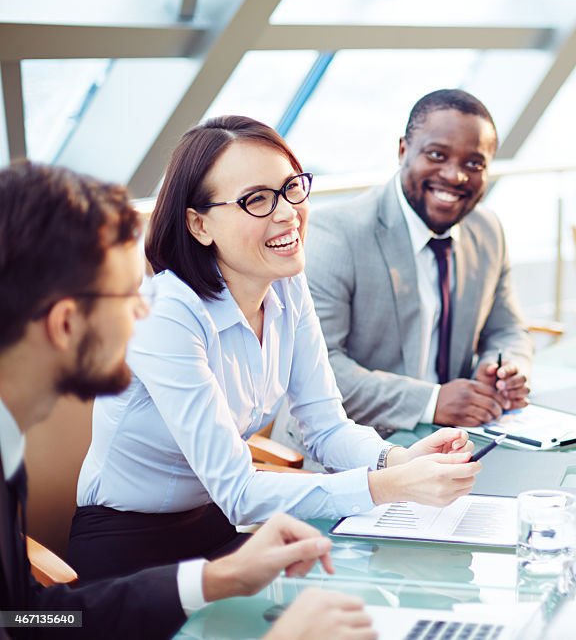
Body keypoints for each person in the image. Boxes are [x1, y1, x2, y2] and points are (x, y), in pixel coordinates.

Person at [69, 116, 480, 583]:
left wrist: (398, 460)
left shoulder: (285, 286)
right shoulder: (166, 315)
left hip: (215, 527)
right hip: (128, 549)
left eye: (291, 189)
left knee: (351, 599)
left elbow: (325, 427)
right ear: (199, 224)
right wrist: (389, 486)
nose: (287, 213)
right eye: (257, 200)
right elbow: (240, 491)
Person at [0, 161, 374, 639]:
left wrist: (214, 579)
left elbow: (29, 617)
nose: (143, 310)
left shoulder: (9, 447)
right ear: (65, 323)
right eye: (127, 295)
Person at [302, 89, 533, 432]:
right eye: (437, 155)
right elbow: (317, 370)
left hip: (456, 439)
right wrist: (431, 402)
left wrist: (505, 368)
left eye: (474, 163)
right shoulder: (337, 235)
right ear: (402, 150)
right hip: (352, 446)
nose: (455, 176)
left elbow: (507, 329)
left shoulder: (487, 230)